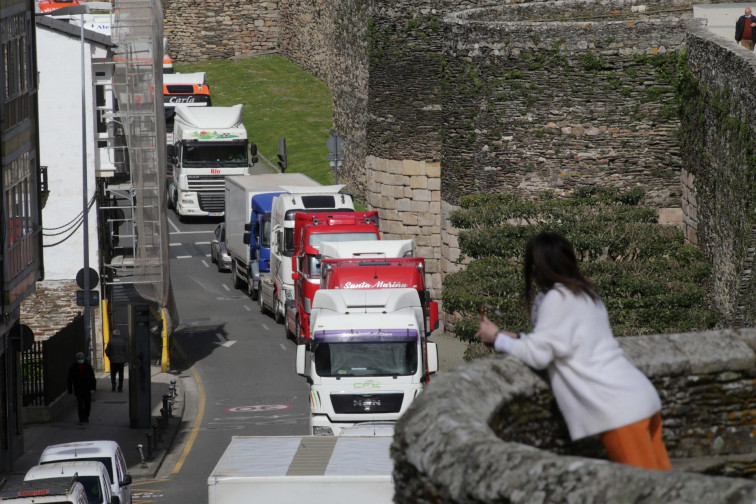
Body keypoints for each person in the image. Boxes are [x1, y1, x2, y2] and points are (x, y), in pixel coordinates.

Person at [475, 231, 672, 471]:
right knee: (663, 483)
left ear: (536, 266)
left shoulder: (557, 298)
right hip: (638, 396)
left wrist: (496, 338)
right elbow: (559, 342)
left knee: (645, 490)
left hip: (619, 410)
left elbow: (540, 355)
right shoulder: (585, 293)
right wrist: (514, 338)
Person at [67, 351, 97, 424]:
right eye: (79, 358)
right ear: (77, 358)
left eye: (81, 358)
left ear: (83, 358)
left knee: (87, 404)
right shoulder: (73, 366)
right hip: (78, 389)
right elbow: (69, 378)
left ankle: (86, 416)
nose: (80, 359)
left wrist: (93, 388)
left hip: (87, 389)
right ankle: (81, 418)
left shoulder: (88, 366)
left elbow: (92, 378)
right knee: (80, 405)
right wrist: (70, 389)